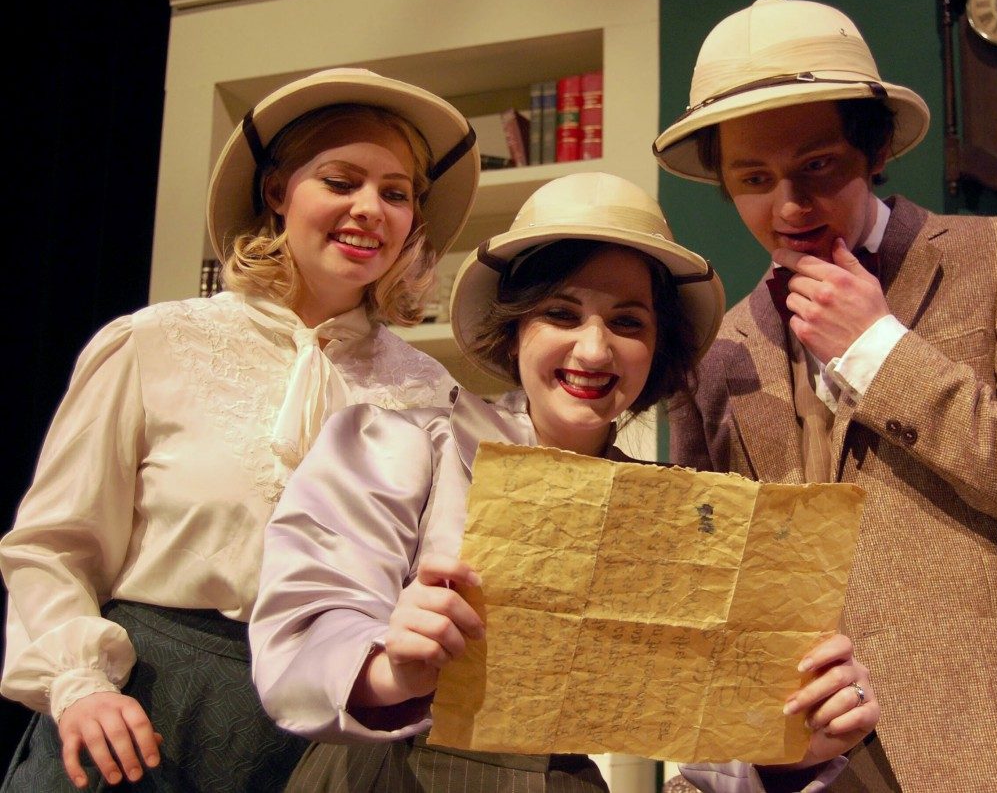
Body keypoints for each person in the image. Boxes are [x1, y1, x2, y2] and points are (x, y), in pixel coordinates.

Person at [248, 171, 881, 793]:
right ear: (514, 329)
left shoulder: (676, 517)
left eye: (628, 323)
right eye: (560, 313)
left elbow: (701, 726)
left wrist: (788, 744)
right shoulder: (398, 445)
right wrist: (389, 666)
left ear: (657, 348)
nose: (594, 351)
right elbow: (301, 634)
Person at [653, 0, 997, 792]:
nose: (789, 207)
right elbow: (719, 603)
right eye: (754, 180)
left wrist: (880, 351)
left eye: (818, 167)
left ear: (873, 150)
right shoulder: (717, 356)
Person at [0, 67, 480, 791]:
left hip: (328, 732)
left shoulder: (429, 393)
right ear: (278, 191)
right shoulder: (154, 343)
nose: (369, 209)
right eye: (341, 181)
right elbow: (53, 544)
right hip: (141, 708)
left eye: (395, 193)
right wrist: (80, 685)